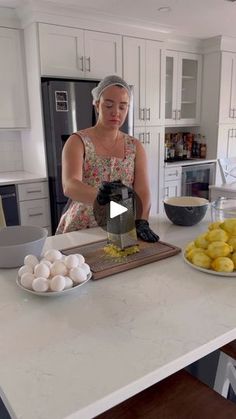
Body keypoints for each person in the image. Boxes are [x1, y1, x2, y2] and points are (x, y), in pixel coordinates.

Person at [56, 75, 159, 242]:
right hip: (82, 227)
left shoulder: (135, 146)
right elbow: (69, 185)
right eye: (109, 105)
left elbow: (143, 190)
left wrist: (142, 221)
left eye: (122, 107)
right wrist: (99, 196)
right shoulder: (77, 141)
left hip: (122, 225)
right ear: (97, 104)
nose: (115, 112)